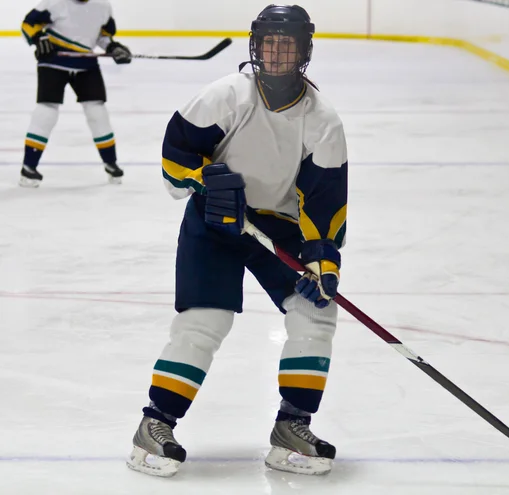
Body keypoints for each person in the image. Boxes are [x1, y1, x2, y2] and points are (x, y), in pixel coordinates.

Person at [126, 4, 348, 478]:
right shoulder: (225, 96)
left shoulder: (322, 120)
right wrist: (206, 181)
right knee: (205, 321)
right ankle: (155, 424)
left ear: (304, 51)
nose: (277, 53)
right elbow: (174, 159)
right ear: (256, 46)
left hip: (278, 226)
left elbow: (325, 202)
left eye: (287, 45)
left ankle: (292, 426)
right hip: (212, 224)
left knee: (316, 310)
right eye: (270, 43)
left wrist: (323, 261)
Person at [20, 0, 132, 188]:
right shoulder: (53, 3)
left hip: (86, 63)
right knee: (47, 111)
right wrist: (39, 38)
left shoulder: (103, 6)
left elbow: (103, 37)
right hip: (53, 62)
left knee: (98, 112)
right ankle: (28, 167)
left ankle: (110, 163)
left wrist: (113, 48)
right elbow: (28, 25)